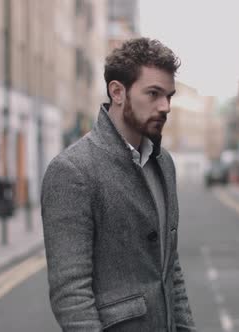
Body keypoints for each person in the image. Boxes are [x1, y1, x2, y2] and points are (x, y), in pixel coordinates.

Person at [41, 38, 196, 332]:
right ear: (117, 92)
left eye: (169, 96)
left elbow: (170, 269)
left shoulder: (164, 164)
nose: (165, 107)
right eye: (153, 93)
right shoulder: (72, 171)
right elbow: (71, 294)